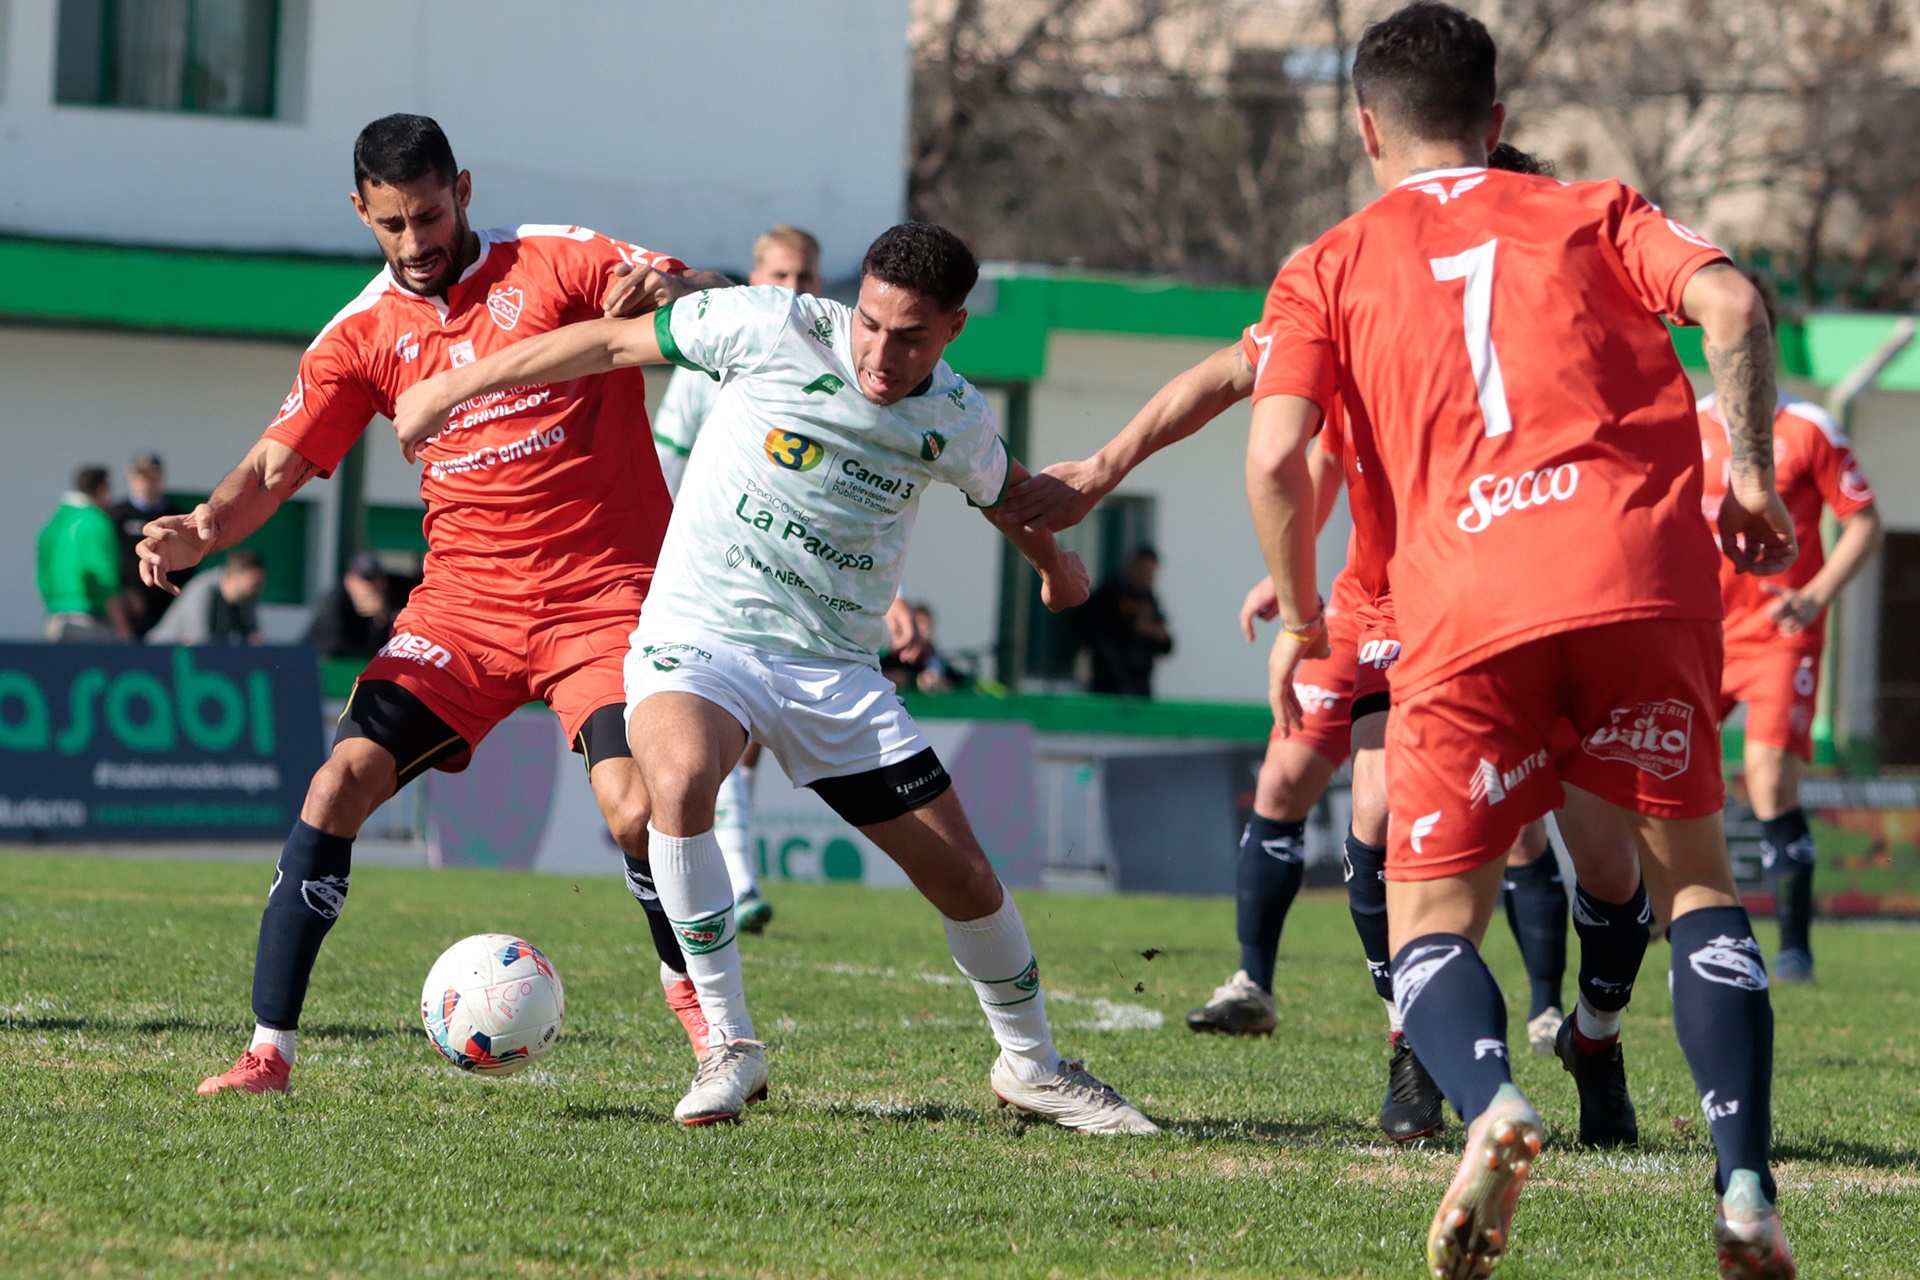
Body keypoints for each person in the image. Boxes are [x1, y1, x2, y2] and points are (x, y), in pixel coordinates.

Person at [1243, 6, 1796, 1277]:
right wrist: (1751, 474)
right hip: (1640, 580)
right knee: (1697, 885)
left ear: (1365, 125)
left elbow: (1276, 451)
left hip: (1465, 607)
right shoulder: (1594, 208)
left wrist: (1306, 614)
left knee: (1434, 915)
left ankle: (1492, 1101)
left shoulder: (1326, 261)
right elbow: (1733, 304)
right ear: (1497, 126)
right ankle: (1748, 1184)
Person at [391, 221, 1156, 1136]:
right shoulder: (771, 326)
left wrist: (1057, 567)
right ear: (852, 300)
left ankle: (1033, 1066)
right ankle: (731, 1046)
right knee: (675, 779)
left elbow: (1004, 490)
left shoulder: (953, 414)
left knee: (966, 881)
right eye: (869, 323)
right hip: (698, 637)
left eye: (909, 336)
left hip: (833, 671)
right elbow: (606, 341)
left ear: (953, 329)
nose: (880, 351)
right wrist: (453, 384)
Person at [136, 113, 730, 1098]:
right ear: (362, 213)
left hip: (606, 599)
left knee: (638, 812)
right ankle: (268, 1051)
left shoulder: (557, 261)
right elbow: (276, 465)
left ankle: (704, 1017)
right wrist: (202, 529)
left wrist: (674, 289)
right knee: (336, 785)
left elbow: (709, 296)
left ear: (463, 186)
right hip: (465, 613)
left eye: (432, 214)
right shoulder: (362, 332)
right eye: (394, 224)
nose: (418, 242)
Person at [649, 225, 823, 935]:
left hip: (783, 577)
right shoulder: (705, 367)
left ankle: (729, 878)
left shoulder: (828, 368)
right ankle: (736, 882)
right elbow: (664, 468)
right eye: (780, 275)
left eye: (806, 276)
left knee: (739, 744)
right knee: (707, 740)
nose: (793, 289)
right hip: (703, 576)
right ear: (754, 280)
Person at [1699, 321, 1883, 985]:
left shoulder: (1809, 428)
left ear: (1770, 352)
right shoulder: (1687, 429)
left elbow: (1865, 522)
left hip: (1781, 630)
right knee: (1674, 776)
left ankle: (1795, 949)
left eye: (1751, 346)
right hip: (1703, 633)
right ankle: (1682, 923)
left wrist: (1815, 594)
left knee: (1769, 775)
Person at [37, 465, 129, 642]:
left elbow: (42, 573)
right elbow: (104, 577)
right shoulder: (96, 522)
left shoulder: (54, 523)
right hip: (90, 624)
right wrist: (121, 625)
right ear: (102, 490)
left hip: (55, 620)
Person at [109, 452, 192, 638]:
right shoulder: (116, 515)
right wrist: (124, 590)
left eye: (152, 475)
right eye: (140, 475)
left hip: (170, 607)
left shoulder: (175, 515)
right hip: (131, 611)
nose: (146, 482)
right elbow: (107, 562)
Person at [1082, 546, 1173, 696]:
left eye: (1151, 573)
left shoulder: (1149, 599)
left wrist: (1155, 632)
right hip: (1109, 680)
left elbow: (1164, 641)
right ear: (1132, 566)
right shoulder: (1111, 593)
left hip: (1140, 682)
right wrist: (1142, 628)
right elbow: (1110, 627)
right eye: (1144, 570)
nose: (1147, 576)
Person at [146, 548, 267, 645]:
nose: (256, 590)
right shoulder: (202, 591)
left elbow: (252, 638)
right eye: (254, 584)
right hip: (162, 657)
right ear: (232, 576)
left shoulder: (246, 598)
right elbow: (201, 643)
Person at [305, 550, 399, 659]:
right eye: (364, 579)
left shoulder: (390, 604)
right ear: (349, 581)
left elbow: (394, 649)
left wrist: (381, 621)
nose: (369, 587)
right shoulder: (334, 602)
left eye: (374, 579)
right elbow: (335, 648)